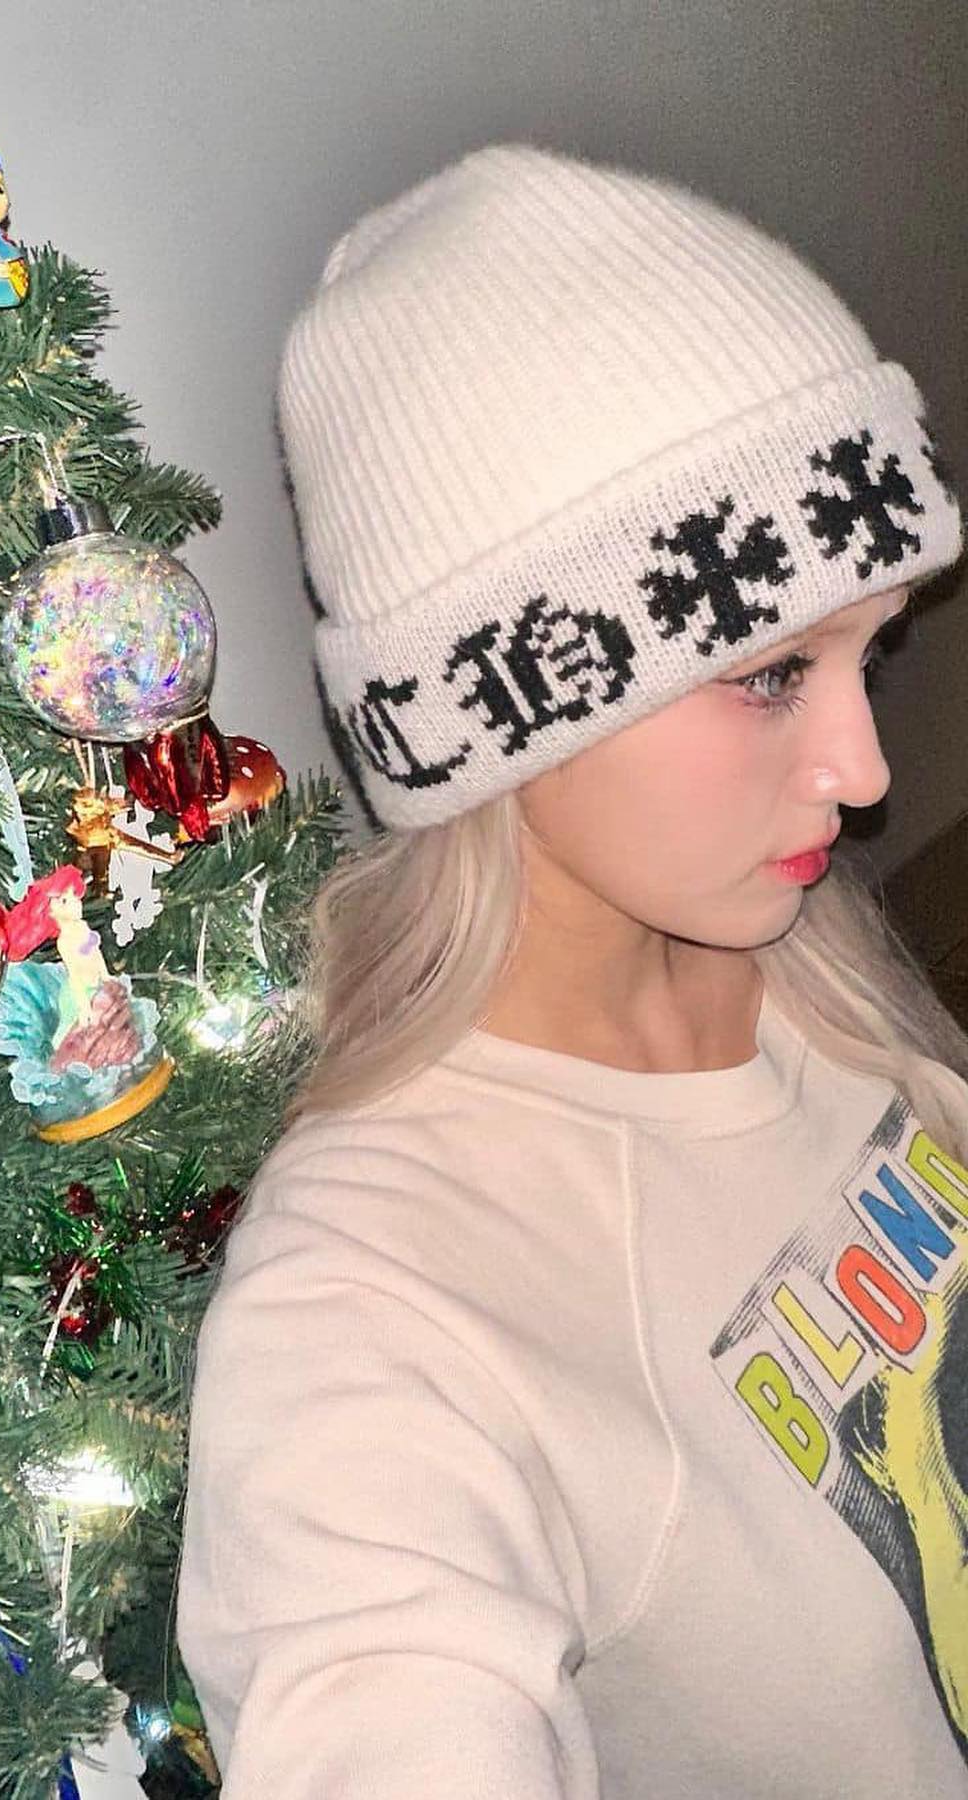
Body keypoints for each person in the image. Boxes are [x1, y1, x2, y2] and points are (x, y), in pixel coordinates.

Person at [175, 141, 968, 1798]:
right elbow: (380, 1688)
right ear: (502, 714)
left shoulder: (794, 957)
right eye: (772, 674)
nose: (865, 770)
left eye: (871, 652)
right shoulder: (374, 1304)